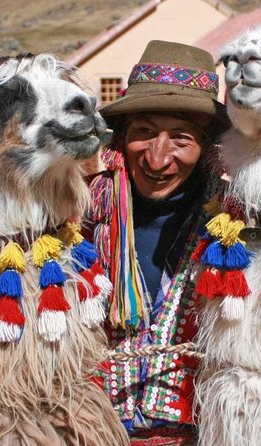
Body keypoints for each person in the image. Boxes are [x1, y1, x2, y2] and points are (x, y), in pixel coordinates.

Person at [88, 40, 229, 444]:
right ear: (121, 138)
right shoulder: (76, 217)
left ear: (205, 150)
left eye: (181, 138)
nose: (157, 158)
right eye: (144, 133)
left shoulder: (234, 226)